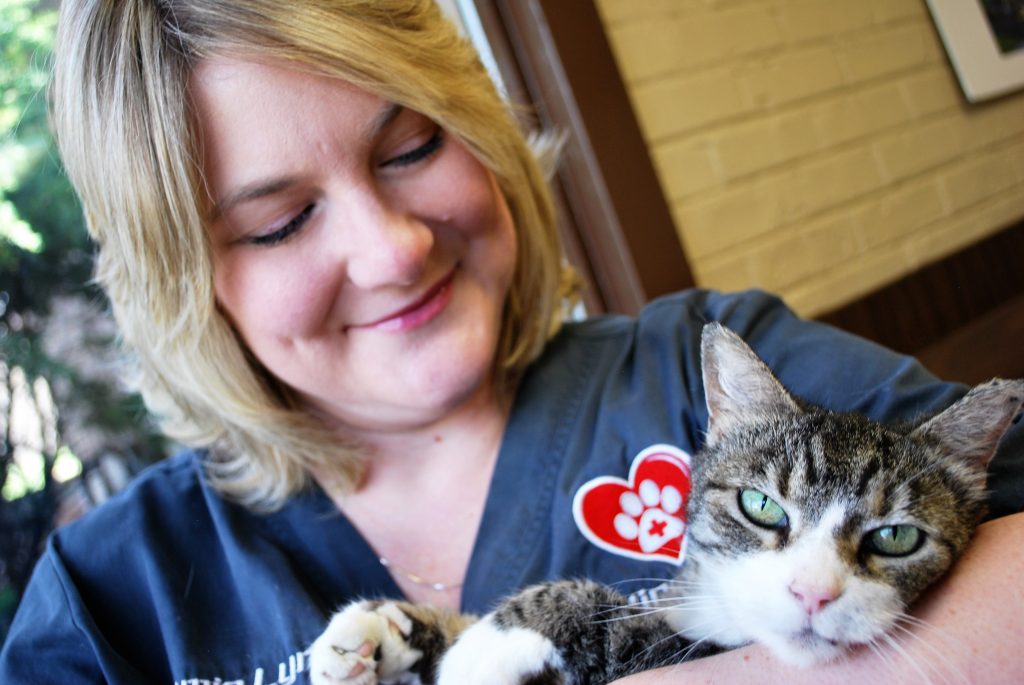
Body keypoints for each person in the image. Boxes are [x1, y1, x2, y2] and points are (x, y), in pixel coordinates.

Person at [2, 1, 1021, 683]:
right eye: (278, 221)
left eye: (411, 149)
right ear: (185, 278)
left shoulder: (705, 365)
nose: (393, 249)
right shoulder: (109, 592)